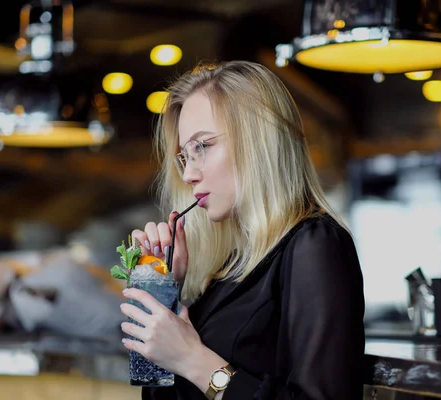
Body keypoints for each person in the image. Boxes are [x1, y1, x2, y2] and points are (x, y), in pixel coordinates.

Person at [120, 60, 365, 400]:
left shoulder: (315, 245)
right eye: (184, 156)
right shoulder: (228, 267)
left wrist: (195, 360)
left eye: (202, 147)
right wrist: (165, 293)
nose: (189, 173)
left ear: (257, 140)